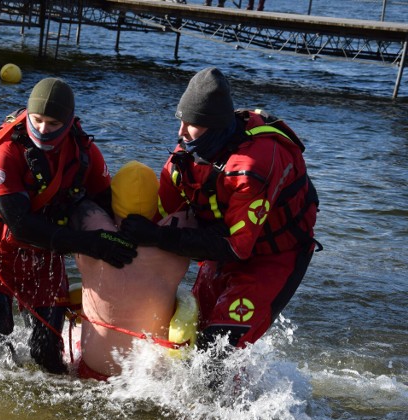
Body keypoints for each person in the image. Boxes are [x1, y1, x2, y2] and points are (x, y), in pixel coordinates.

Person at [121, 67, 319, 354]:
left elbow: (237, 248)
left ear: (214, 125)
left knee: (217, 347)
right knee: (189, 331)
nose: (181, 132)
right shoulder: (184, 160)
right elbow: (157, 219)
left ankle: (249, 398)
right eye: (181, 121)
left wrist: (157, 237)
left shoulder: (255, 167)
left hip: (273, 259)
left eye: (192, 124)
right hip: (221, 246)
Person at [0, 77, 137, 374]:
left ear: (68, 122)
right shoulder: (3, 153)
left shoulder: (84, 152)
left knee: (48, 357)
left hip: (44, 260)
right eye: (36, 120)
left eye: (52, 123)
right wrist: (90, 244)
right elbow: (22, 227)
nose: (42, 129)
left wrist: (131, 241)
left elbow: (107, 204)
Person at [71, 161, 196, 380]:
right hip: (146, 377)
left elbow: (78, 204)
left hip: (91, 368)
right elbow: (192, 214)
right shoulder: (174, 244)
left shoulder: (92, 230)